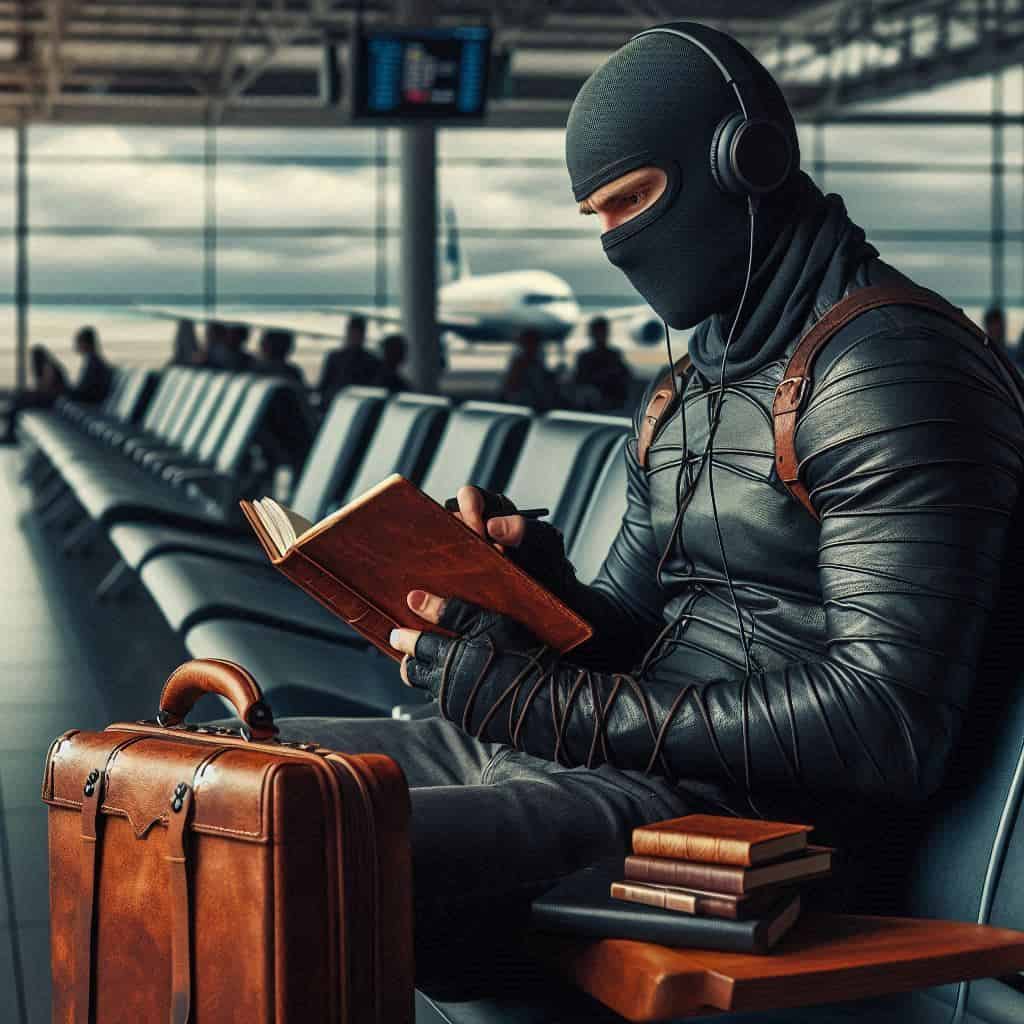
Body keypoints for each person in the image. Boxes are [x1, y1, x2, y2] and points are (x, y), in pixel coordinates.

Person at [214, 22, 1024, 997]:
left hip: (738, 834)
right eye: (595, 215)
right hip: (586, 763)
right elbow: (640, 630)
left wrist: (545, 701)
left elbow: (884, 723)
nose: (614, 242)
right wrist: (531, 590)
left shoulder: (887, 368)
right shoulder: (685, 388)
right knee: (206, 780)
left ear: (747, 160)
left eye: (633, 201)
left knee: (284, 840)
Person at [318, 315, 382, 407]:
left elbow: (323, 386)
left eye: (356, 333)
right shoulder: (372, 360)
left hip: (336, 404)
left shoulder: (334, 357)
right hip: (355, 405)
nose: (355, 336)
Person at [572, 315, 632, 410]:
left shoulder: (613, 355)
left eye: (602, 332)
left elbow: (625, 377)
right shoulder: (585, 357)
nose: (600, 335)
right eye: (598, 332)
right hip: (595, 402)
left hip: (610, 400)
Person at [499, 327, 560, 410]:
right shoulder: (520, 364)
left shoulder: (536, 363)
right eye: (532, 343)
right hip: (523, 405)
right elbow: (512, 388)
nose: (537, 347)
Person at [69, 326, 114, 405]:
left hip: (92, 400)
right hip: (92, 398)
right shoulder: (93, 360)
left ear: (86, 343)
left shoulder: (94, 362)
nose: (75, 346)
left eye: (78, 342)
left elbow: (85, 389)